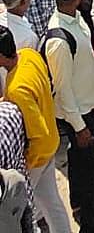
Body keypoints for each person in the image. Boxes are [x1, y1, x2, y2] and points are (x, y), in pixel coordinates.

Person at [45, 0, 94, 233]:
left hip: (85, 104)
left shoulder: (75, 18)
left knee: (82, 164)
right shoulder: (59, 40)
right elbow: (63, 89)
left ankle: (81, 205)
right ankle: (91, 224)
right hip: (77, 115)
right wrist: (79, 127)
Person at [0, 26, 66, 233]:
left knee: (25, 208)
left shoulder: (16, 89)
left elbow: (36, 131)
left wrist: (28, 163)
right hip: (52, 141)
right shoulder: (30, 55)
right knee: (52, 203)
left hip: (37, 154)